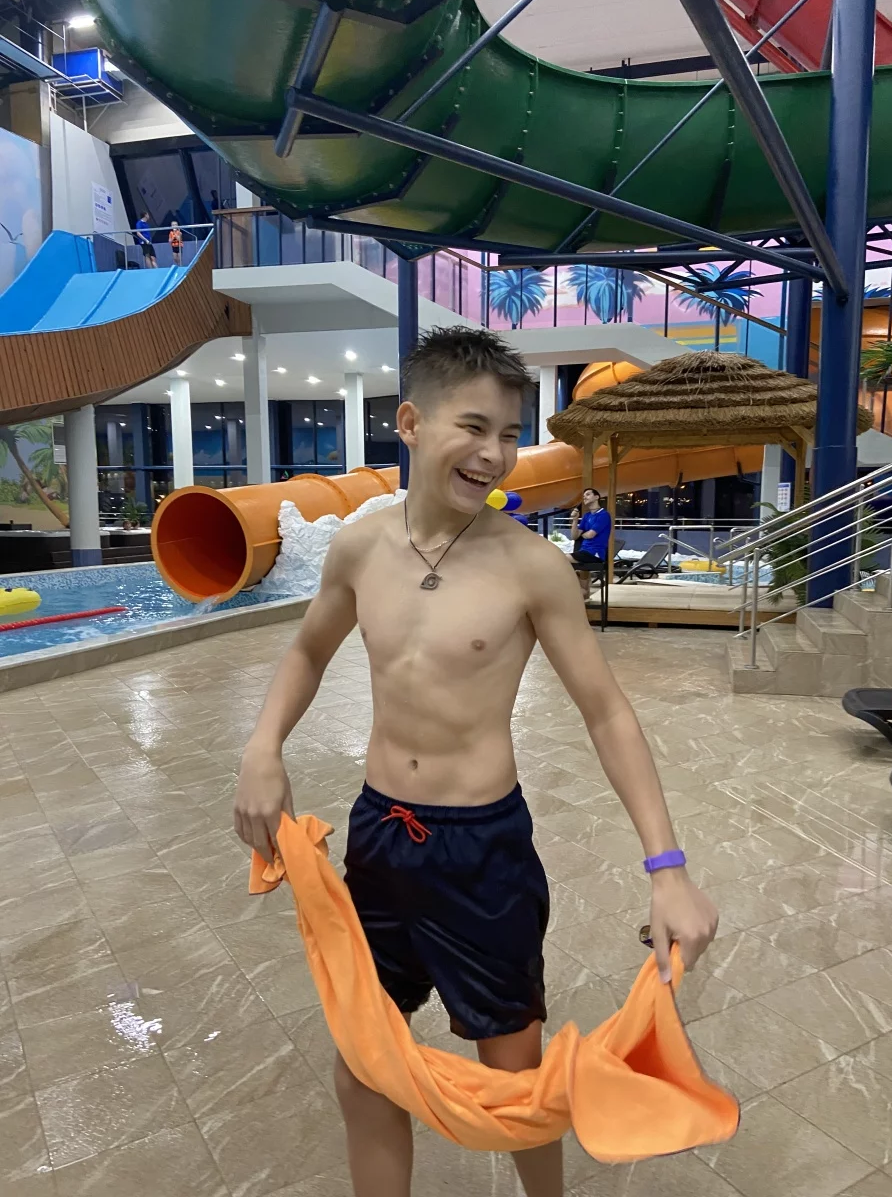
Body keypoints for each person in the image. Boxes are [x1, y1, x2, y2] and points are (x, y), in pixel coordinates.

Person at [233, 326, 718, 1197]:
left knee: (516, 1083)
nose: (494, 453)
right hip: (381, 838)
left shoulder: (532, 567)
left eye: (508, 434)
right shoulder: (359, 548)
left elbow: (606, 711)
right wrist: (261, 747)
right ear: (410, 422)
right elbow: (307, 651)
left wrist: (667, 866)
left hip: (483, 851)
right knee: (364, 1069)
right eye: (474, 427)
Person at [570, 487, 612, 600]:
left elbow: (590, 535)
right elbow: (574, 536)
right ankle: (584, 594)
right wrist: (575, 520)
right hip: (584, 551)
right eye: (584, 496)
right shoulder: (587, 516)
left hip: (595, 553)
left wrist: (583, 534)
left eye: (588, 494)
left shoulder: (604, 515)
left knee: (561, 559)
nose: (585, 497)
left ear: (596, 497)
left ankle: (581, 590)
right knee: (580, 568)